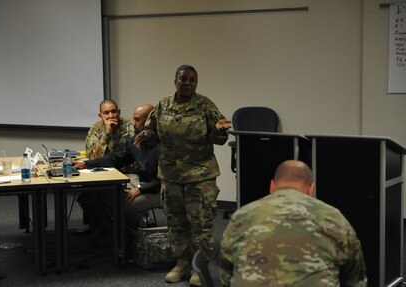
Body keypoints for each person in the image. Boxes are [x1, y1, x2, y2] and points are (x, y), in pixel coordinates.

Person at [134, 65, 232, 286]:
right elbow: (152, 131)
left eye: (192, 80)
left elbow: (220, 134)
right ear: (175, 81)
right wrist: (145, 134)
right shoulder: (163, 105)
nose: (188, 83)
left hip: (200, 176)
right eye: (183, 79)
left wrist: (218, 129)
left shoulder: (205, 105)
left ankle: (200, 268)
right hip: (170, 175)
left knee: (201, 224)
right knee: (175, 222)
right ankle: (181, 264)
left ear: (196, 83)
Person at [218, 160, 368, 287]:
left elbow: (225, 274)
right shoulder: (333, 217)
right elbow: (356, 278)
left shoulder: (242, 216)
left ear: (272, 186)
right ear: (311, 189)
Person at [74, 104, 161, 239]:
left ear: (150, 120)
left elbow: (167, 179)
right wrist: (86, 164)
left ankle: (135, 244)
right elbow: (115, 159)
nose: (133, 123)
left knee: (124, 204)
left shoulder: (165, 144)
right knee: (104, 196)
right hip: (147, 185)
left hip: (162, 190)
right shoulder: (135, 141)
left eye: (137, 120)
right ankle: (110, 236)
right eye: (134, 119)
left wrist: (141, 188)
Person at [78, 99, 135, 233]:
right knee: (87, 193)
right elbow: (93, 156)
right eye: (106, 113)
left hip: (127, 171)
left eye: (114, 111)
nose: (111, 116)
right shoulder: (96, 128)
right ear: (101, 115)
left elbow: (134, 153)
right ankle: (98, 228)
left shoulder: (129, 126)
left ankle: (123, 230)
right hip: (102, 171)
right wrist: (107, 134)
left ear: (118, 112)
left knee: (125, 197)